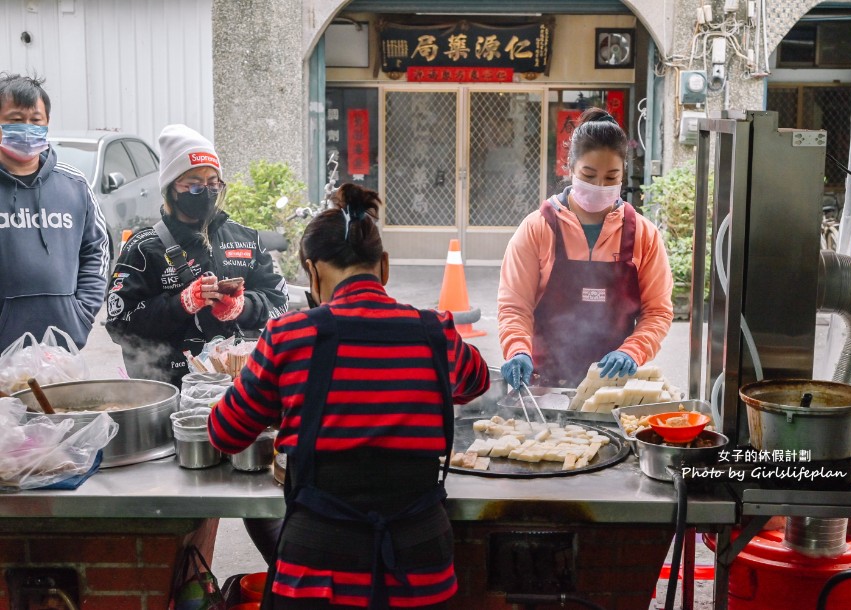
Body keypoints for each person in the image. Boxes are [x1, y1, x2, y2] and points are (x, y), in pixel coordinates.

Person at [208, 183, 490, 610]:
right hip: (420, 570)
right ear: (385, 266)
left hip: (318, 576)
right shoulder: (437, 333)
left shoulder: (290, 337)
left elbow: (225, 433)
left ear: (312, 272)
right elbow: (477, 382)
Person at [497, 107, 673, 389]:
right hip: (543, 384)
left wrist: (631, 351)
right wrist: (518, 349)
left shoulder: (643, 234)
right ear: (571, 168)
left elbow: (658, 312)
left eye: (611, 177)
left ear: (623, 176)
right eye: (589, 176)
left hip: (612, 386)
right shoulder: (538, 228)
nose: (599, 186)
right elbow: (515, 307)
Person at [104, 124, 288, 387]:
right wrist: (182, 303)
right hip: (169, 388)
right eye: (193, 185)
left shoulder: (246, 239)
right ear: (171, 188)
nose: (205, 191)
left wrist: (241, 307)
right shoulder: (144, 247)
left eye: (213, 183)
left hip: (240, 387)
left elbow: (278, 302)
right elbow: (119, 323)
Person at [0, 73, 109, 351]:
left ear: (47, 124)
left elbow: (97, 250)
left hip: (63, 348)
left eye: (35, 121)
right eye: (14, 120)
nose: (26, 128)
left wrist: (81, 316)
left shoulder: (74, 185)